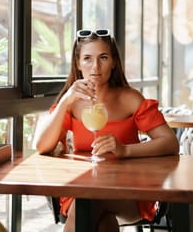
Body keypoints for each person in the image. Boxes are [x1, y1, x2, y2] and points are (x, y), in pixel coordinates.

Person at [36, 29, 179, 232]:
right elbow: (41, 146)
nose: (95, 66)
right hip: (82, 189)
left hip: (130, 193)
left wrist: (125, 151)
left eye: (103, 57)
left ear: (113, 62)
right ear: (78, 63)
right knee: (103, 223)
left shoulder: (130, 99)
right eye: (87, 58)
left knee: (89, 204)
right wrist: (66, 101)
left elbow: (170, 142)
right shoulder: (72, 103)